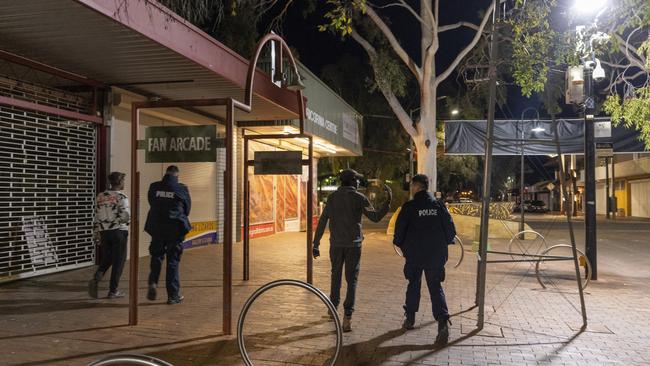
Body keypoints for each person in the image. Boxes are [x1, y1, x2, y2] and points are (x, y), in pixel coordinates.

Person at [313, 169, 392, 332]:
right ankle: (347, 317)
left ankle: (332, 307)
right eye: (357, 180)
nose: (358, 183)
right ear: (353, 181)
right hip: (353, 246)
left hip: (336, 245)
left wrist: (316, 243)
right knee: (352, 281)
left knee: (335, 276)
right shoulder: (359, 198)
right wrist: (387, 202)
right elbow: (375, 217)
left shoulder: (332, 198)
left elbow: (322, 221)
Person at [393, 174, 457, 346]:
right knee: (435, 287)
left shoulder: (409, 207)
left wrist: (403, 245)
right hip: (436, 255)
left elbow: (397, 236)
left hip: (414, 255)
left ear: (416, 186)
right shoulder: (439, 206)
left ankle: (410, 319)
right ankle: (443, 322)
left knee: (413, 284)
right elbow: (451, 233)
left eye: (412, 186)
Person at [144, 165, 191, 305]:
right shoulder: (181, 188)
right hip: (174, 229)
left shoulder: (154, 186)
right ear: (177, 175)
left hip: (157, 227)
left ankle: (153, 282)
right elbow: (187, 209)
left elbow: (151, 202)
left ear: (166, 173)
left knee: (156, 256)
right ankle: (173, 296)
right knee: (173, 262)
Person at [88, 172, 130, 299]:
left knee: (108, 257)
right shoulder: (121, 197)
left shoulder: (100, 196)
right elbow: (125, 217)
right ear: (120, 182)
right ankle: (113, 290)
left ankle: (97, 277)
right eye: (123, 180)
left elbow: (96, 215)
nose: (124, 183)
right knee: (119, 261)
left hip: (104, 232)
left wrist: (96, 233)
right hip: (119, 232)